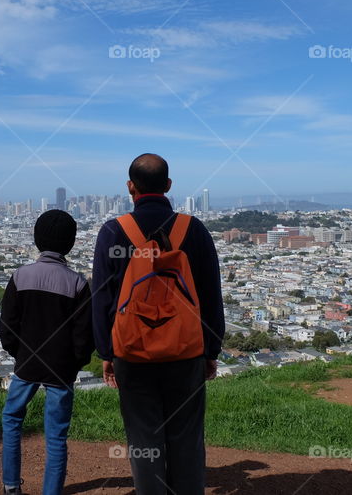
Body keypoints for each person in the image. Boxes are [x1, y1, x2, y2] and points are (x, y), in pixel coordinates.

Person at [92, 153, 225, 494]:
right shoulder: (193, 230)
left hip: (133, 355)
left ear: (129, 187)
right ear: (168, 186)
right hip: (186, 352)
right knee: (187, 439)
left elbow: (103, 300)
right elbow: (210, 295)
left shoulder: (113, 232)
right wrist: (210, 349)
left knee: (144, 441)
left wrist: (107, 353)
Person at [0, 209, 94, 495]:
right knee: (56, 436)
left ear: (37, 239)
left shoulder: (20, 276)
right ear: (72, 242)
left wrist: (20, 355)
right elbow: (83, 336)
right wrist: (73, 364)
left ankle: (11, 487)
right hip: (61, 370)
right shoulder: (78, 283)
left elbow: (8, 326)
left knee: (12, 419)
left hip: (26, 364)